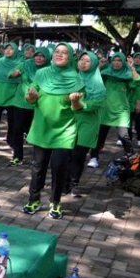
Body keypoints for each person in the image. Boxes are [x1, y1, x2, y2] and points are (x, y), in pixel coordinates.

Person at [21, 42, 85, 220]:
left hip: (64, 130)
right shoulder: (41, 73)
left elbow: (79, 108)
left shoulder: (76, 79)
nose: (59, 54)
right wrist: (31, 97)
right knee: (38, 166)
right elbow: (30, 98)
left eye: (64, 52)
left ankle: (55, 202)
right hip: (42, 128)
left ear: (70, 57)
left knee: (58, 167)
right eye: (57, 51)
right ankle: (33, 200)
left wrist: (75, 101)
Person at [87, 52, 140, 168]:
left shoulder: (127, 75)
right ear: (111, 62)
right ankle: (94, 157)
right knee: (100, 136)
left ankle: (131, 158)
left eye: (119, 60)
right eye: (114, 60)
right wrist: (100, 65)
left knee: (124, 136)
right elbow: (92, 79)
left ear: (123, 62)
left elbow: (137, 81)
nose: (116, 63)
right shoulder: (105, 74)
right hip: (104, 110)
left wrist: (132, 67)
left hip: (121, 111)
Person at [66, 51, 106, 197]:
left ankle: (74, 183)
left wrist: (79, 103)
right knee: (66, 152)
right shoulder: (72, 78)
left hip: (88, 122)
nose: (83, 62)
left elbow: (97, 103)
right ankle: (64, 182)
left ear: (94, 64)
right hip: (69, 120)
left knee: (78, 153)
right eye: (81, 59)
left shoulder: (98, 83)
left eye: (88, 61)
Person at [6, 47, 51, 166]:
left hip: (38, 104)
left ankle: (39, 158)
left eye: (42, 56)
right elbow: (10, 73)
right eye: (37, 55)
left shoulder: (50, 69)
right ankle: (17, 156)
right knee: (17, 130)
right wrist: (14, 74)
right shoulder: (25, 65)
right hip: (20, 102)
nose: (39, 58)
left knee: (36, 131)